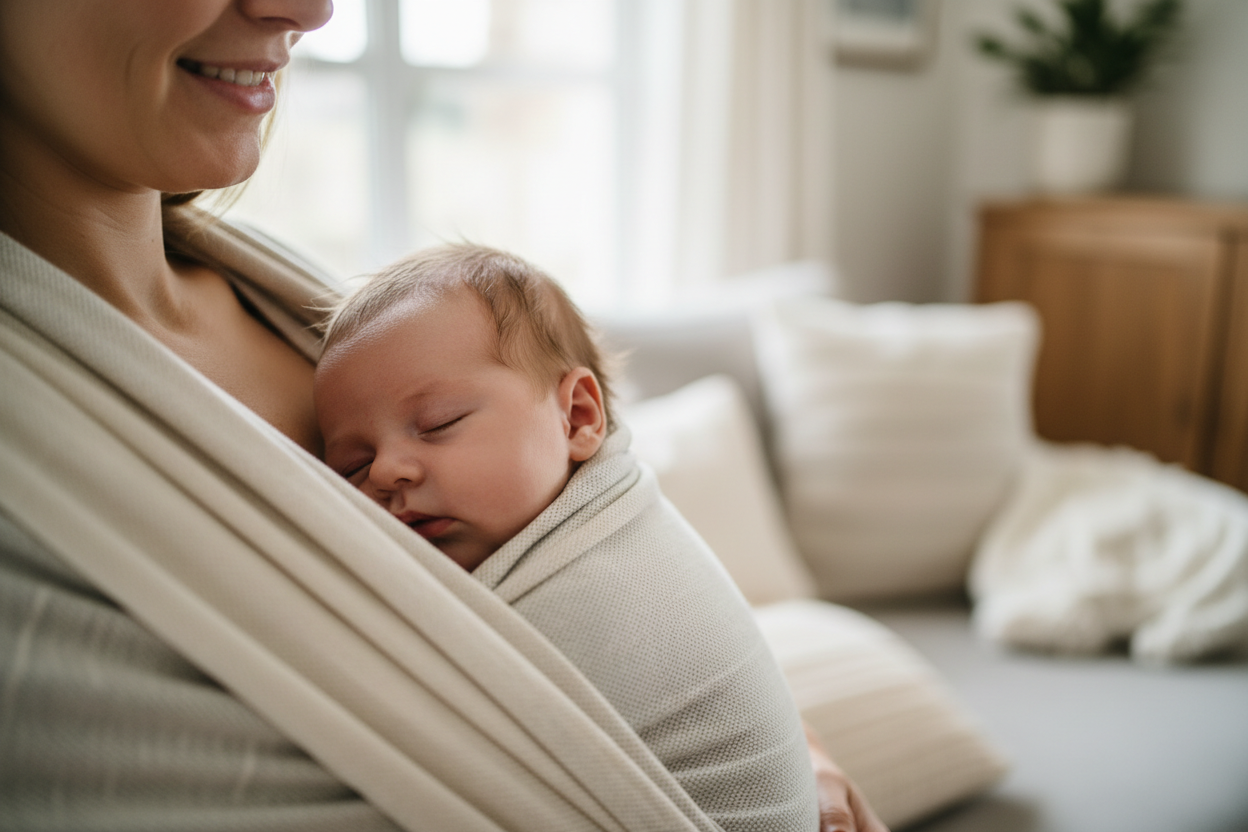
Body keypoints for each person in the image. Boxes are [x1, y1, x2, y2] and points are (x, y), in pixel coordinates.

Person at [0, 1, 887, 830]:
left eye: (438, 426)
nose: (313, 9)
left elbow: (632, 582)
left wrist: (781, 738)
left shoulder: (294, 297)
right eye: (351, 465)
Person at [314, 243, 815, 830]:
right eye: (352, 465)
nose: (384, 472)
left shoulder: (594, 582)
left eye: (438, 424)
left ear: (577, 416)